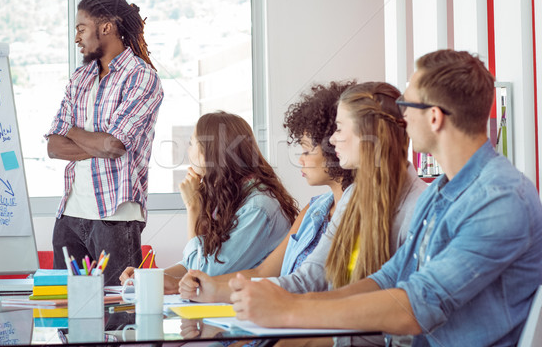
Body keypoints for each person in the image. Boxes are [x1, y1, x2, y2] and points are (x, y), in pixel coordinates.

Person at [229, 50, 542, 347]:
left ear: (434, 117)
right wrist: (295, 303)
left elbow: (418, 304)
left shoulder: (500, 200)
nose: (401, 116)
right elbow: (389, 278)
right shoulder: (441, 191)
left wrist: (289, 312)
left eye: (408, 104)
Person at [178, 81, 355, 304]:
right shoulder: (313, 210)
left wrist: (193, 208)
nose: (299, 159)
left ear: (335, 149)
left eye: (306, 150)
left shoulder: (259, 206)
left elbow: (302, 283)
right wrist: (169, 279)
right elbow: (263, 273)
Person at [45, 0, 163, 285]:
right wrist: (93, 141)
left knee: (118, 317)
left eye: (81, 28)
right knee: (67, 318)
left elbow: (114, 146)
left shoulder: (141, 77)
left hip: (115, 214)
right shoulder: (80, 78)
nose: (76, 38)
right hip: (70, 216)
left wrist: (70, 130)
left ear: (106, 27)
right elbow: (53, 147)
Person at [120, 111, 298, 293]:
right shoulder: (230, 197)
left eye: (191, 143)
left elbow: (202, 273)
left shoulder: (258, 207)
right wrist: (147, 278)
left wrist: (193, 208)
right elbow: (193, 262)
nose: (188, 151)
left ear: (210, 152)